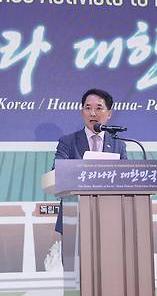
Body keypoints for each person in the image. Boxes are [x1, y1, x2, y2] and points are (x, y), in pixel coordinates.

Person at [53, 88, 127, 233]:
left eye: (99, 108)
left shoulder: (119, 144)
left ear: (109, 113)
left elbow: (126, 179)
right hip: (74, 217)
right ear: (82, 112)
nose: (93, 113)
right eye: (88, 108)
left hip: (110, 218)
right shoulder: (68, 142)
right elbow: (57, 173)